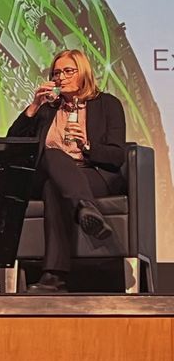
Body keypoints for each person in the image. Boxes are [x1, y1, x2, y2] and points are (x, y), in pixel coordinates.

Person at [7, 49, 126, 293]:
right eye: (56, 73)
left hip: (93, 173)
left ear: (83, 73)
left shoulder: (107, 104)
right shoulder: (47, 109)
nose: (61, 77)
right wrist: (33, 106)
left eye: (68, 71)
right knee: (52, 154)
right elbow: (13, 143)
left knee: (55, 188)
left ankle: (54, 277)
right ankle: (84, 207)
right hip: (50, 171)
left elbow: (116, 155)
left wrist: (88, 146)